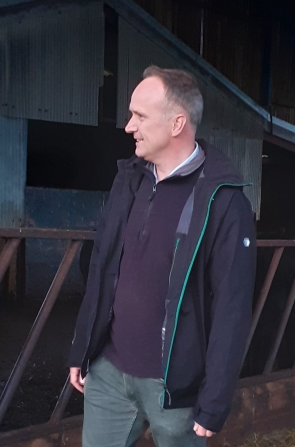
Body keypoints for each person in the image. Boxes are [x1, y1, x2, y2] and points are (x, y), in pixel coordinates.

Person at [67, 66, 256, 446]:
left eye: (139, 116)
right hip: (109, 373)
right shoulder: (130, 180)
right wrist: (82, 347)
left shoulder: (224, 202)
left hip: (174, 387)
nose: (128, 126)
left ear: (176, 123)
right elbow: (103, 264)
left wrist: (215, 398)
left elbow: (231, 306)